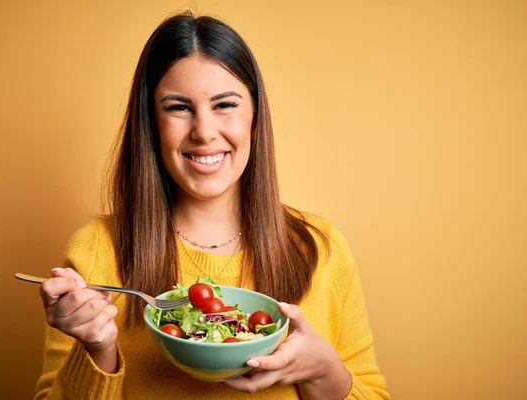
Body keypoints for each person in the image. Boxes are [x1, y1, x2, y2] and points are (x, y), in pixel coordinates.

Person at [34, 11, 390, 400]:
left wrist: (323, 372)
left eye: (224, 105)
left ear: (254, 117)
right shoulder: (95, 251)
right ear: (151, 123)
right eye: (178, 107)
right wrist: (98, 348)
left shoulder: (321, 249)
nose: (204, 131)